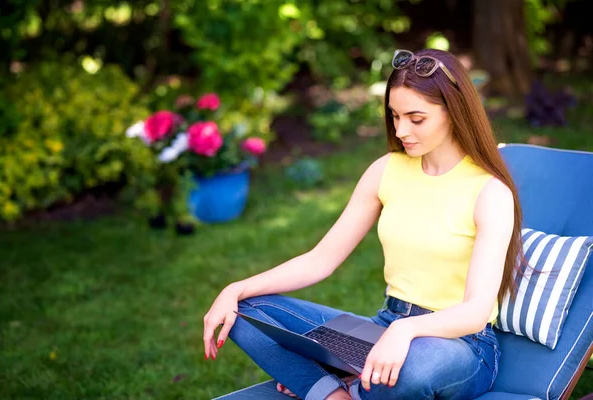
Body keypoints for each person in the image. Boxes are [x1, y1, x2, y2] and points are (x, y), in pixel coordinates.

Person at [202, 48, 525, 400]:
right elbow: (320, 260)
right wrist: (235, 289)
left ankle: (340, 380)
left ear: (454, 112)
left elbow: (476, 312)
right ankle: (331, 392)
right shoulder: (387, 169)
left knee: (407, 372)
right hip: (383, 328)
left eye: (416, 119)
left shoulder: (489, 192)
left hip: (460, 346)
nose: (401, 130)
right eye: (395, 116)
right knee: (248, 312)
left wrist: (406, 332)